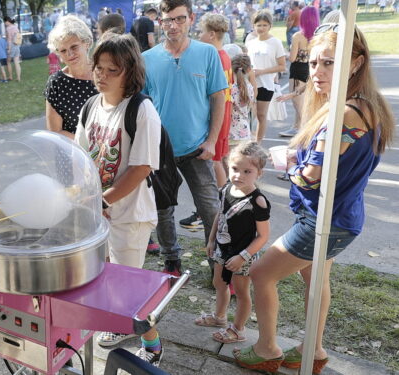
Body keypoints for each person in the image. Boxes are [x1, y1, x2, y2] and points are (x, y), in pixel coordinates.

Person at [235, 26, 395, 374]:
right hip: (339, 216)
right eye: (313, 62)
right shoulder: (363, 106)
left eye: (329, 63)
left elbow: (311, 175)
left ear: (356, 63)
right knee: (315, 279)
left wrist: (285, 162)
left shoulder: (347, 113)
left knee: (260, 274)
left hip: (326, 220)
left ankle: (266, 350)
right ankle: (315, 349)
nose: (318, 72)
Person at [75, 31, 164, 366]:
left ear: (130, 71)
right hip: (98, 213)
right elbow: (81, 159)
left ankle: (152, 343)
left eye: (112, 69)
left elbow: (140, 168)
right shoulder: (90, 106)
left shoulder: (141, 110)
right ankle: (118, 325)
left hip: (130, 214)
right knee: (104, 274)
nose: (102, 75)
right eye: (98, 67)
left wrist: (104, 201)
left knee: (130, 286)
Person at [141, 0, 228, 276]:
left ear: (191, 18)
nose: (173, 26)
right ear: (160, 22)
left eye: (179, 19)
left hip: (197, 148)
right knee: (163, 209)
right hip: (160, 149)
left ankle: (217, 263)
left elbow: (218, 99)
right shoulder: (148, 59)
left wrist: (212, 141)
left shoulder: (207, 53)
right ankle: (171, 260)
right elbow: (142, 105)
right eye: (167, 20)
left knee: (210, 209)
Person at [195, 141, 270, 344]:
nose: (239, 175)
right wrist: (211, 241)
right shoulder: (226, 189)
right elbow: (220, 216)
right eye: (235, 169)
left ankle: (238, 329)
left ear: (259, 173)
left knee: (242, 292)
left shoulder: (258, 201)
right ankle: (219, 318)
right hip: (222, 249)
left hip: (243, 255)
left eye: (247, 171)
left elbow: (263, 236)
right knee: (219, 283)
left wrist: (242, 256)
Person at [44, 15, 97, 139]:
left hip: (110, 153)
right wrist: (91, 146)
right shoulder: (56, 83)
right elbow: (55, 131)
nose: (69, 54)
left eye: (74, 47)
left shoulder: (104, 72)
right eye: (63, 50)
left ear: (87, 43)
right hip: (73, 154)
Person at [198, 13, 234, 189]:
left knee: (215, 161)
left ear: (211, 34)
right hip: (224, 113)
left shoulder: (215, 58)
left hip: (218, 116)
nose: (198, 36)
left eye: (201, 32)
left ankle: (221, 201)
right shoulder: (225, 55)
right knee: (218, 159)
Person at [278, 6, 319, 137]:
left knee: (298, 103)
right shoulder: (318, 36)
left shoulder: (298, 36)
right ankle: (296, 126)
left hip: (297, 70)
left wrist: (285, 53)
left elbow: (292, 58)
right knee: (301, 102)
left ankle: (304, 129)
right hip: (310, 69)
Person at [245, 10, 286, 143]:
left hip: (266, 84)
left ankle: (257, 143)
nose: (261, 28)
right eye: (258, 25)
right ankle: (247, 142)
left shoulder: (275, 43)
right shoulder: (250, 42)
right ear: (254, 26)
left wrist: (262, 71)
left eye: (264, 25)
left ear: (270, 26)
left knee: (261, 115)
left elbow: (282, 66)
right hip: (249, 84)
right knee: (247, 115)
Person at [229, 54, 256, 146]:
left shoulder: (230, 89)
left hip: (231, 133)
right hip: (244, 130)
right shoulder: (249, 88)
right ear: (249, 69)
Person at [5, 16, 22, 82]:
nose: (5, 24)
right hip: (17, 45)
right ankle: (18, 78)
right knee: (16, 62)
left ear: (7, 21)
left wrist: (8, 49)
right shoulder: (15, 26)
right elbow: (18, 36)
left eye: (5, 22)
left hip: (11, 45)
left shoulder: (8, 28)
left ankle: (10, 76)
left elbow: (9, 40)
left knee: (8, 61)